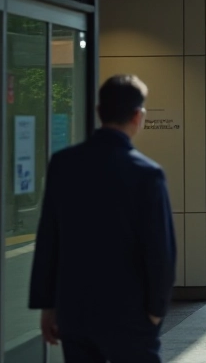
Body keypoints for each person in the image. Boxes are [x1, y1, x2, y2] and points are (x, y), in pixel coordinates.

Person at [29, 74, 176, 362]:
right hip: (130, 314)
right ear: (138, 116)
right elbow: (161, 251)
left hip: (75, 311)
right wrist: (156, 310)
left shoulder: (63, 164)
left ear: (98, 112)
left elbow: (49, 238)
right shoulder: (147, 174)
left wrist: (48, 305)